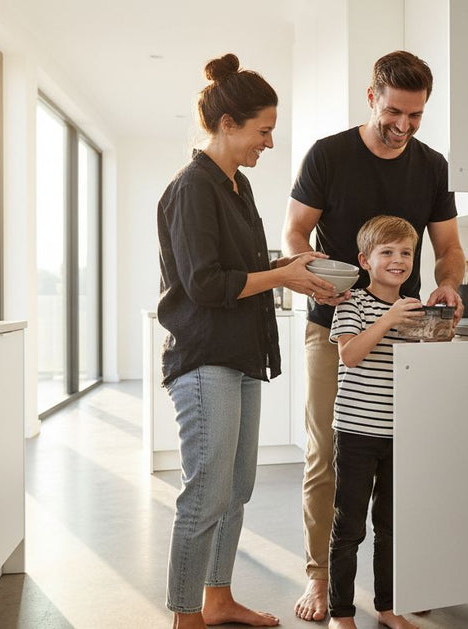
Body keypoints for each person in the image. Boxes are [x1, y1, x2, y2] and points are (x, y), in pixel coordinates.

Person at [282, 50, 466, 621]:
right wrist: (311, 276)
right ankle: (321, 578)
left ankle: (396, 586)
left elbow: (450, 248)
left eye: (415, 116)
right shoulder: (329, 155)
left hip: (408, 336)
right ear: (371, 97)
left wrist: (449, 284)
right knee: (328, 455)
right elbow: (294, 230)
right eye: (394, 113)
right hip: (332, 325)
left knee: (401, 463)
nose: (404, 127)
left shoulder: (432, 165)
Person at [157, 53, 337, 629]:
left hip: (239, 355)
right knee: (205, 492)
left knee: (236, 489)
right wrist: (281, 276)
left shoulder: (237, 187)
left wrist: (291, 264)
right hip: (204, 357)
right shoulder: (192, 188)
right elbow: (205, 283)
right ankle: (186, 616)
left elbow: (239, 264)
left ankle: (218, 600)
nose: (269, 143)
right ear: (228, 123)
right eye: (263, 131)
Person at [328, 215, 443, 629]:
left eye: (406, 253)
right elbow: (350, 355)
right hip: (357, 432)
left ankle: (387, 607)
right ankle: (340, 612)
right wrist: (389, 319)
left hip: (401, 433)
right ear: (365, 260)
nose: (398, 260)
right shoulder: (351, 303)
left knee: (391, 527)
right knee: (349, 526)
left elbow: (421, 366)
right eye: (387, 252)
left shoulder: (414, 310)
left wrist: (437, 332)